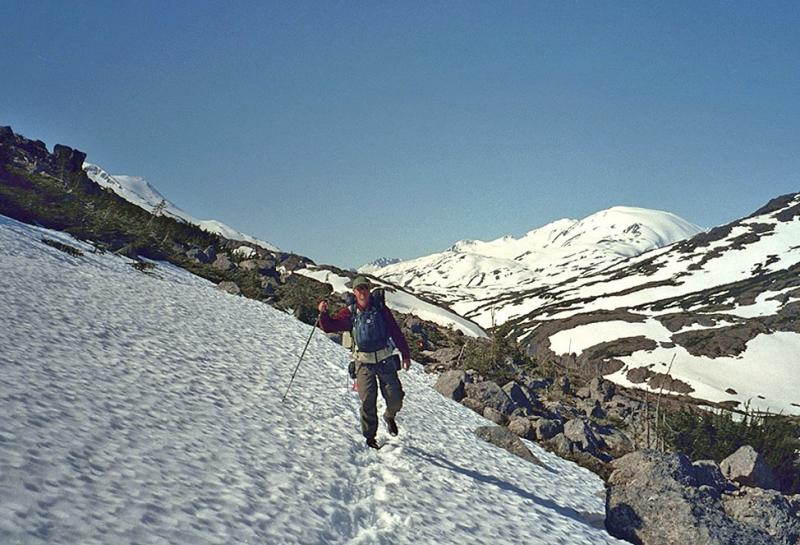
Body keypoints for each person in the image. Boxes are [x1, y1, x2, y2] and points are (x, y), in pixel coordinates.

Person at [317, 276, 411, 450]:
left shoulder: (381, 310)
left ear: (369, 290)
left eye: (365, 288)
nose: (362, 292)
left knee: (395, 398)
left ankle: (390, 416)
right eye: (359, 289)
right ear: (354, 292)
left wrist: (405, 354)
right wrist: (323, 313)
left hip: (385, 360)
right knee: (368, 400)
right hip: (363, 363)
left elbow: (395, 331)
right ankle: (370, 438)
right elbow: (330, 327)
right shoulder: (350, 313)